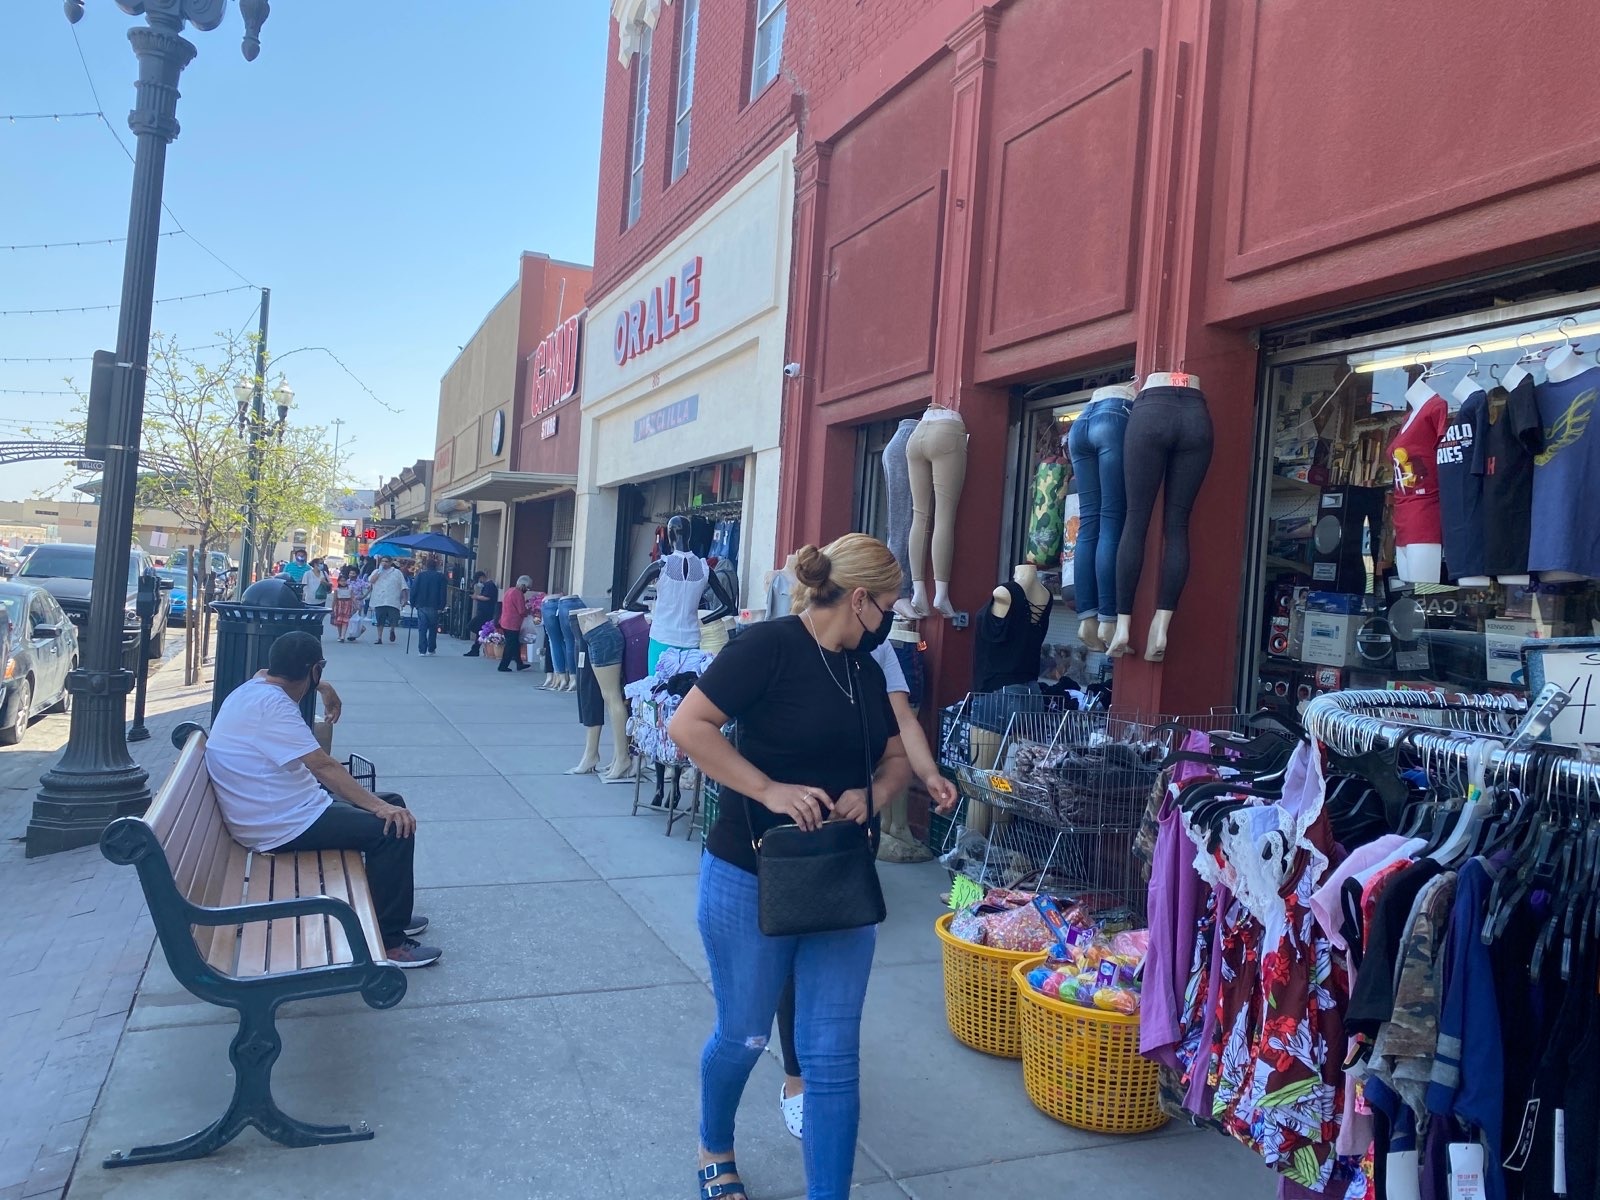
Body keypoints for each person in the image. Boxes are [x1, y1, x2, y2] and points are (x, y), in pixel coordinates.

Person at [668, 535, 912, 1200]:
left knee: (832, 1058)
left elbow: (896, 762)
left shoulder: (865, 671)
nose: (892, 621)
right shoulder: (768, 648)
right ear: (859, 600)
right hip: (748, 876)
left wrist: (874, 795)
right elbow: (689, 727)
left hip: (838, 884)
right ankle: (714, 1145)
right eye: (888, 606)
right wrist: (770, 790)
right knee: (744, 1033)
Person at [773, 633, 960, 1138]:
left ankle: (825, 1070)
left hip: (853, 824)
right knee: (794, 952)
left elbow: (901, 718)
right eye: (883, 603)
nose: (890, 617)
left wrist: (927, 772)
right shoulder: (789, 638)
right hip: (794, 825)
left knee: (835, 956)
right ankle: (796, 1078)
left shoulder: (877, 652)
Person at [204, 632, 441, 967]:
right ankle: (389, 941)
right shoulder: (273, 707)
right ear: (314, 668)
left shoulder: (253, 690)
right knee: (392, 826)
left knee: (394, 801)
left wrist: (322, 687)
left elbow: (267, 674)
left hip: (279, 809)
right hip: (282, 824)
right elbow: (323, 765)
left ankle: (385, 909)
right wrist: (378, 807)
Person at [409, 555, 447, 656]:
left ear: (426, 566)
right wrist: (441, 606)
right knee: (433, 628)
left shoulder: (420, 576)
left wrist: (412, 602)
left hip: (421, 605)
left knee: (422, 628)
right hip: (434, 606)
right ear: (436, 566)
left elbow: (414, 589)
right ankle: (431, 648)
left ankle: (422, 650)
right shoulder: (441, 577)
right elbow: (443, 592)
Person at [368, 556, 407, 644]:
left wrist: (404, 598)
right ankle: (379, 638)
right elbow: (371, 581)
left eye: (386, 561)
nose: (384, 563)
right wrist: (379, 571)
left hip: (392, 599)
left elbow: (403, 586)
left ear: (390, 563)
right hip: (379, 599)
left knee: (394, 618)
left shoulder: (397, 572)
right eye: (382, 561)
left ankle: (392, 630)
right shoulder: (376, 571)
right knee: (380, 620)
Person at [497, 575, 532, 672]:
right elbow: (521, 611)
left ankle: (519, 663)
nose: (527, 590)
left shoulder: (509, 591)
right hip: (512, 624)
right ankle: (503, 666)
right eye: (527, 587)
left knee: (515, 644)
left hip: (505, 621)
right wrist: (529, 610)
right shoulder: (518, 594)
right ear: (523, 585)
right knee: (510, 645)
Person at [463, 571, 499, 657]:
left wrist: (476, 597)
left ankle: (482, 641)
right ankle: (475, 649)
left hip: (485, 612)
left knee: (472, 626)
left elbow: (487, 597)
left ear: (482, 577)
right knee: (479, 630)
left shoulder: (489, 585)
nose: (480, 582)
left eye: (479, 580)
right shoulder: (487, 585)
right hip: (484, 611)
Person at [330, 566, 356, 641]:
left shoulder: (350, 588)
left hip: (347, 605)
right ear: (338, 582)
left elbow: (352, 597)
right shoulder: (336, 589)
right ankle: (340, 635)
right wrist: (332, 608)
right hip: (339, 605)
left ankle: (342, 636)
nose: (343, 582)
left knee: (345, 621)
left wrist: (356, 605)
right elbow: (334, 599)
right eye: (341, 581)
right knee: (339, 621)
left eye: (344, 581)